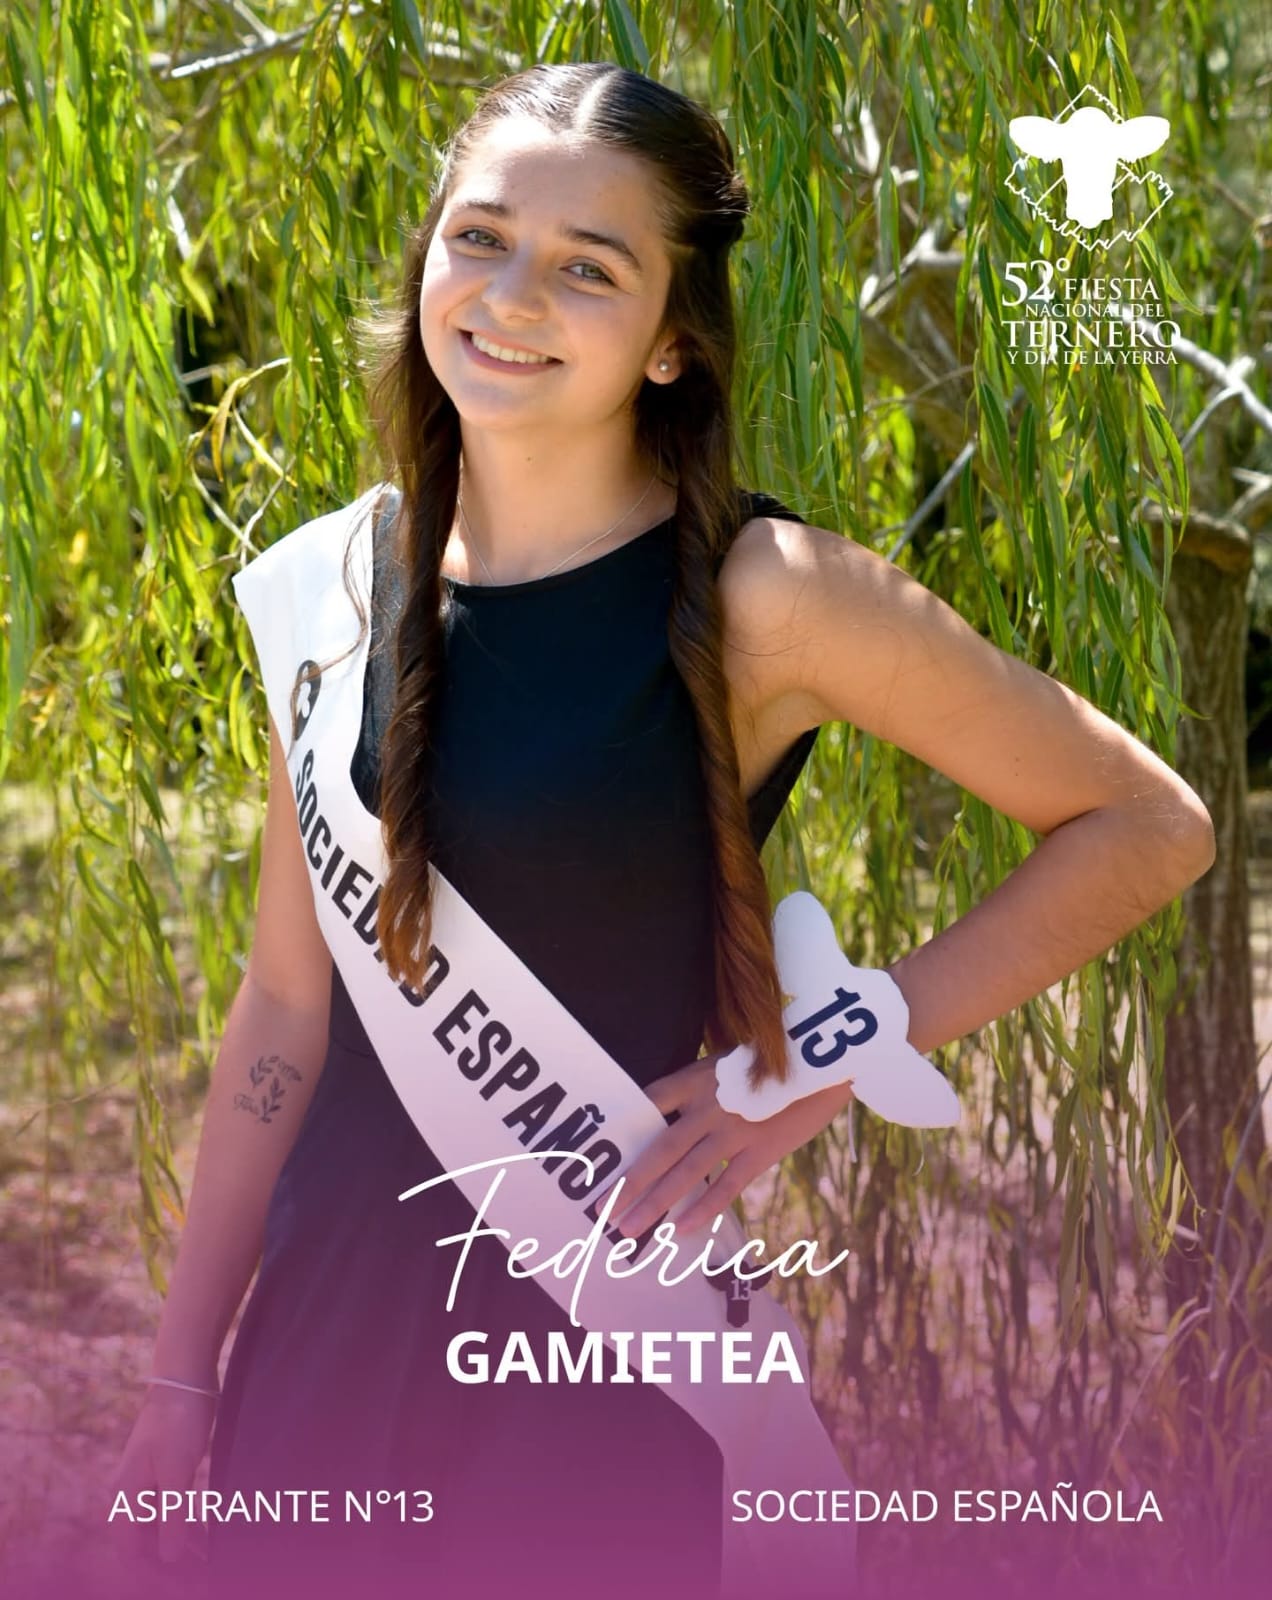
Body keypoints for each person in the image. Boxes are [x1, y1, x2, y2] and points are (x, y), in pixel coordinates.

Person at [108, 60, 1215, 1600]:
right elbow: (286, 1008)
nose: (511, 296)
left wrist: (823, 1058)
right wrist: (181, 1379)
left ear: (673, 338)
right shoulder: (339, 589)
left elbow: (1148, 825)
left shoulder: (770, 597)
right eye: (480, 237)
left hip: (594, 1364)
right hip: (323, 1343)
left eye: (589, 268)